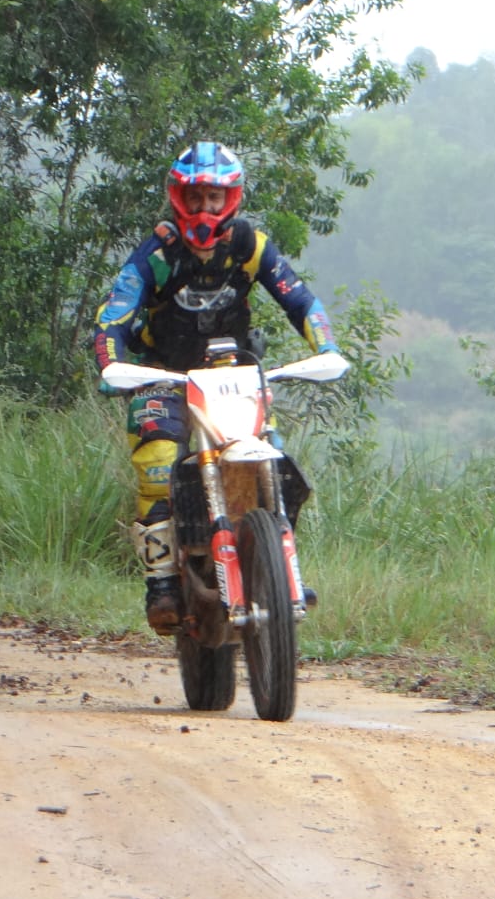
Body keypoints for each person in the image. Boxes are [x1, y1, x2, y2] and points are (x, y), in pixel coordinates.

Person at [93, 141, 339, 631]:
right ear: (177, 197)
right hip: (163, 374)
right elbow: (113, 315)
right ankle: (161, 580)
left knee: (275, 460)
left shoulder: (252, 246)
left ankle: (282, 568)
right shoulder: (157, 254)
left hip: (234, 374)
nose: (205, 208)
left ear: (233, 199)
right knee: (158, 459)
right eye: (195, 197)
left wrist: (326, 347)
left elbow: (301, 301)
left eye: (215, 197)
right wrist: (110, 362)